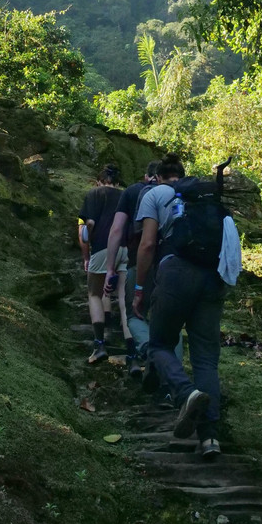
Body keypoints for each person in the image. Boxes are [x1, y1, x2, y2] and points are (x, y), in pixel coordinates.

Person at [133, 153, 241, 456]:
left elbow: (148, 244)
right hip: (212, 278)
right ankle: (209, 438)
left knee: (159, 344)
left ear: (158, 175)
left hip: (176, 272)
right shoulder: (210, 203)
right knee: (206, 359)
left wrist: (140, 288)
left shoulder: (155, 195)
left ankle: (185, 392)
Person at [103, 159, 161, 377]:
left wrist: (110, 268)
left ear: (147, 177)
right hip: (172, 266)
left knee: (135, 313)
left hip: (139, 261)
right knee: (164, 319)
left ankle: (138, 356)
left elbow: (116, 230)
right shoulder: (176, 192)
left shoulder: (133, 191)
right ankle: (169, 375)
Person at [78, 164, 129, 363]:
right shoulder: (126, 195)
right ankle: (133, 353)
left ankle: (99, 344)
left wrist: (86, 248)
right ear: (117, 182)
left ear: (99, 181)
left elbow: (88, 224)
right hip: (125, 250)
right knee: (125, 302)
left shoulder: (94, 194)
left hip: (102, 248)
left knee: (94, 293)